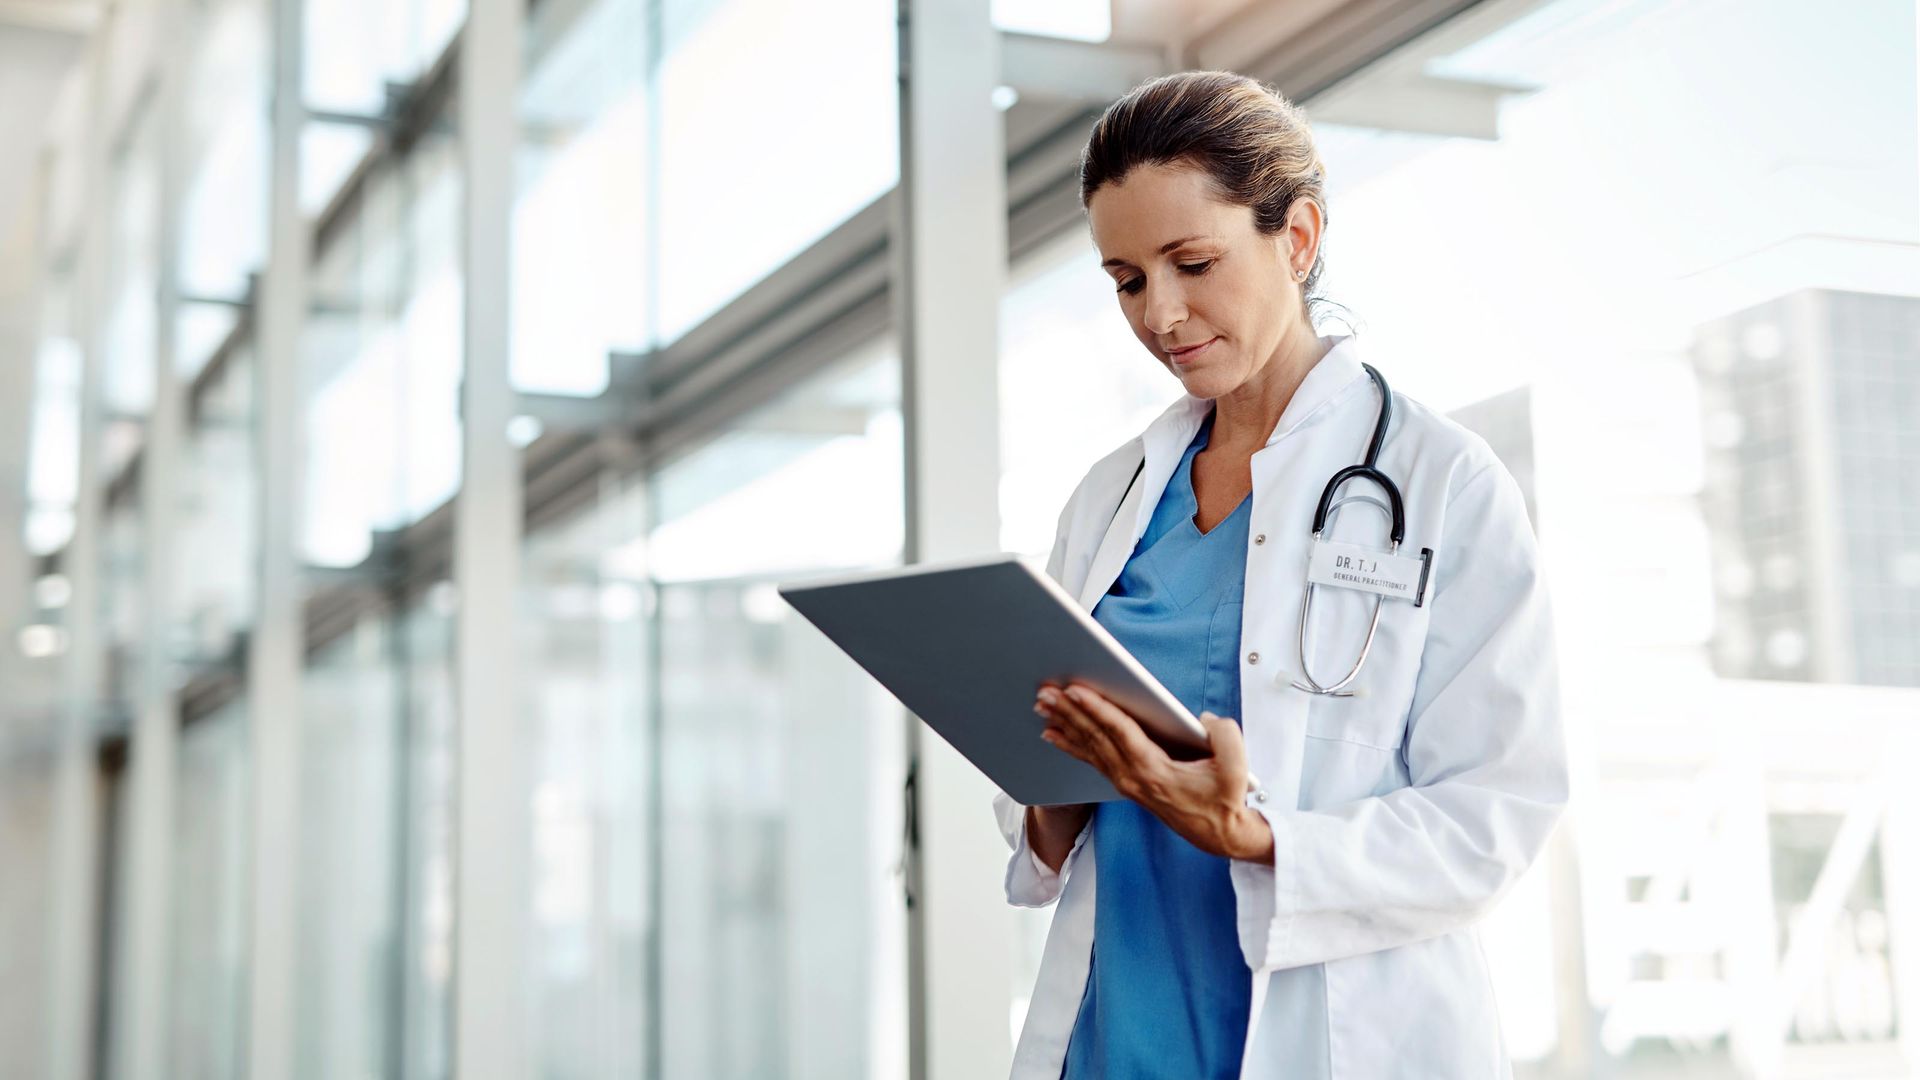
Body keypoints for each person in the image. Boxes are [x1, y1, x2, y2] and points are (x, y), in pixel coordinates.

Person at [991, 70, 1569, 1079]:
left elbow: (1496, 816)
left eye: (1193, 262)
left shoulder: (1441, 483)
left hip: (1340, 1037)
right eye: (1127, 280)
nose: (1160, 314)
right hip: (1114, 1035)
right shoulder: (1110, 497)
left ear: (1296, 239)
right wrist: (1059, 791)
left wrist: (1258, 837)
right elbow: (1046, 804)